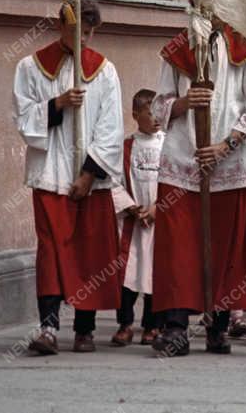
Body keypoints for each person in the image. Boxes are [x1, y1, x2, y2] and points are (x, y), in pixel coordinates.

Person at [13, 0, 124, 355]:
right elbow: (23, 116)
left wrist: (90, 174)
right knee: (51, 252)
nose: (84, 40)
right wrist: (56, 105)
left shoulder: (104, 72)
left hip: (88, 180)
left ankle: (85, 329)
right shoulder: (30, 67)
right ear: (62, 25)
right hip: (50, 174)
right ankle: (47, 327)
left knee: (88, 253)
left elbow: (111, 127)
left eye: (90, 33)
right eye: (78, 31)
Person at [151, 21, 246, 357]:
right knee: (178, 248)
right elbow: (159, 106)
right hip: (181, 160)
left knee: (225, 247)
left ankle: (218, 325)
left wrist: (224, 146)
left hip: (227, 163)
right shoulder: (178, 48)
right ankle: (176, 329)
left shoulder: (245, 47)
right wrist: (184, 103)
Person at [110, 89, 166, 346]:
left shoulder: (169, 144)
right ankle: (125, 323)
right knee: (128, 274)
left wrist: (158, 208)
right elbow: (112, 182)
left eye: (159, 113)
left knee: (156, 273)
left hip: (159, 219)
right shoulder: (125, 147)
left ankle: (152, 326)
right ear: (135, 115)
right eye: (150, 113)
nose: (156, 119)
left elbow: (176, 180)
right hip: (132, 222)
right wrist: (132, 208)